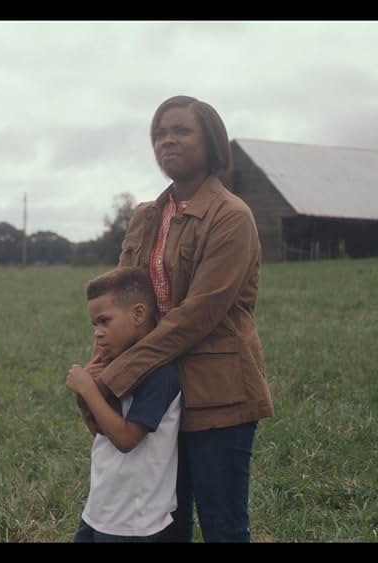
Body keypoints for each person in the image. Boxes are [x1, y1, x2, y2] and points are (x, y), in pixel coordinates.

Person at [89, 95, 273, 542]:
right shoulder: (146, 217)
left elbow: (197, 316)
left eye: (180, 131)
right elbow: (122, 303)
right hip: (157, 394)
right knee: (162, 526)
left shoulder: (232, 217)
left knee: (223, 526)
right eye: (159, 133)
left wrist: (118, 376)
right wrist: (100, 364)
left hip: (219, 396)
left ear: (210, 142)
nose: (166, 140)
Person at [67, 267, 182, 542]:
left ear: (139, 314)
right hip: (101, 507)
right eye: (95, 325)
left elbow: (127, 439)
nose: (98, 333)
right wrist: (91, 391)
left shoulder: (161, 374)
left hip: (134, 520)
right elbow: (100, 431)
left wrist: (88, 389)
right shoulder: (118, 366)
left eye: (105, 321)